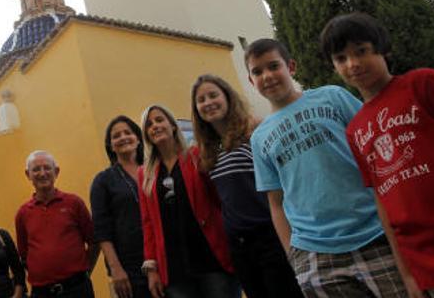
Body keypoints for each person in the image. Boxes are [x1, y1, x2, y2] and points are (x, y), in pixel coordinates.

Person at [321, 12, 434, 297]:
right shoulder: (355, 130)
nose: (353, 64)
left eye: (361, 51)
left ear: (383, 49)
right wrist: (408, 274)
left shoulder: (423, 83)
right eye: (341, 58)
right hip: (433, 271)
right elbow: (382, 200)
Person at [245, 38, 406, 297]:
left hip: (375, 234)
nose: (267, 76)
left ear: (291, 66)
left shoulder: (332, 96)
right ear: (251, 81)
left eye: (274, 66)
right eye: (257, 71)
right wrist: (293, 256)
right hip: (315, 254)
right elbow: (275, 201)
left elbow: (376, 148)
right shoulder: (259, 138)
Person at [191, 75, 302, 298]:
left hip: (271, 234)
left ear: (228, 97)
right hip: (239, 245)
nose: (208, 102)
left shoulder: (254, 131)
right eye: (201, 99)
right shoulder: (207, 151)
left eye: (213, 95)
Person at [137, 104, 238, 298]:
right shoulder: (145, 174)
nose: (155, 126)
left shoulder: (197, 156)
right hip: (175, 269)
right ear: (146, 134)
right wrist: (151, 267)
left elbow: (221, 201)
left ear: (173, 125)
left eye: (159, 120)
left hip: (211, 259)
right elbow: (148, 223)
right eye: (149, 124)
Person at [15, 150, 98, 298]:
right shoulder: (23, 213)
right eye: (36, 169)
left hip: (77, 289)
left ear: (56, 171)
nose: (42, 173)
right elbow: (24, 255)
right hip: (42, 293)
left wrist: (85, 271)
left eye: (47, 168)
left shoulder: (74, 203)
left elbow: (93, 242)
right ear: (28, 175)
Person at [90, 116, 150, 298]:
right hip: (130, 267)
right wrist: (116, 269)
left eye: (128, 133)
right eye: (116, 136)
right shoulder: (103, 181)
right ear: (111, 145)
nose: (123, 137)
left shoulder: (154, 170)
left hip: (164, 259)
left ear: (138, 138)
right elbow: (101, 230)